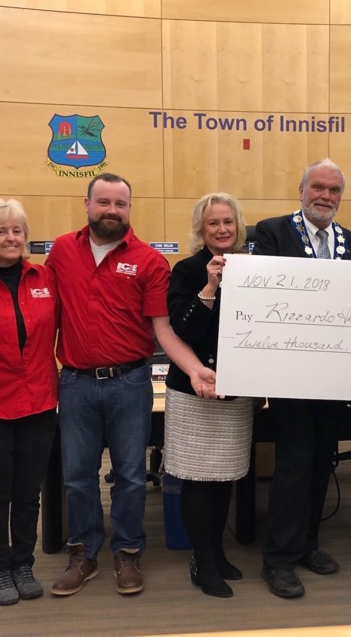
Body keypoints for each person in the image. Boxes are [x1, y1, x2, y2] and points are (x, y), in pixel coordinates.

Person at [45, 173, 218, 598]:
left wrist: (194, 368)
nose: (111, 211)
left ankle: (127, 552)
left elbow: (163, 329)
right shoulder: (61, 252)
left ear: (129, 209)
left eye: (120, 204)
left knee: (130, 475)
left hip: (129, 382)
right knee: (77, 476)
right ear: (86, 204)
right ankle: (83, 553)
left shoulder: (148, 260)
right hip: (76, 383)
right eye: (103, 202)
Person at [252, 158, 351, 599]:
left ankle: (308, 545)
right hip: (290, 376)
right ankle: (278, 559)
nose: (325, 196)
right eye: (317, 187)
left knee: (323, 462)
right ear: (301, 190)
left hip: (334, 378)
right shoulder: (272, 231)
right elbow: (265, 295)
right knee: (295, 466)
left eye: (334, 190)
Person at [164, 192, 257, 599]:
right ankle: (201, 561)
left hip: (236, 392)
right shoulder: (186, 270)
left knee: (225, 479)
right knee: (199, 480)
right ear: (201, 230)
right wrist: (210, 286)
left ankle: (216, 552)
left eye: (228, 223)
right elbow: (184, 331)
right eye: (213, 223)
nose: (222, 230)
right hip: (194, 391)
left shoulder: (254, 269)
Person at [0, 198, 59, 605]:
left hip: (39, 403)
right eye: (2, 230)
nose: (12, 237)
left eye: (18, 230)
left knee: (28, 492)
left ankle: (22, 562)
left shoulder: (45, 277)